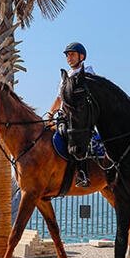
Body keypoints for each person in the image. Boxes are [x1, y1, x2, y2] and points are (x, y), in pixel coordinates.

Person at [48, 42, 94, 187]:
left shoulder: (87, 72)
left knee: (74, 137)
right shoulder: (65, 76)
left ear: (82, 56)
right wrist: (50, 114)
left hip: (79, 116)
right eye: (67, 55)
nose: (69, 57)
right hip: (64, 115)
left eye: (72, 54)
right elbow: (58, 98)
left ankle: (82, 173)